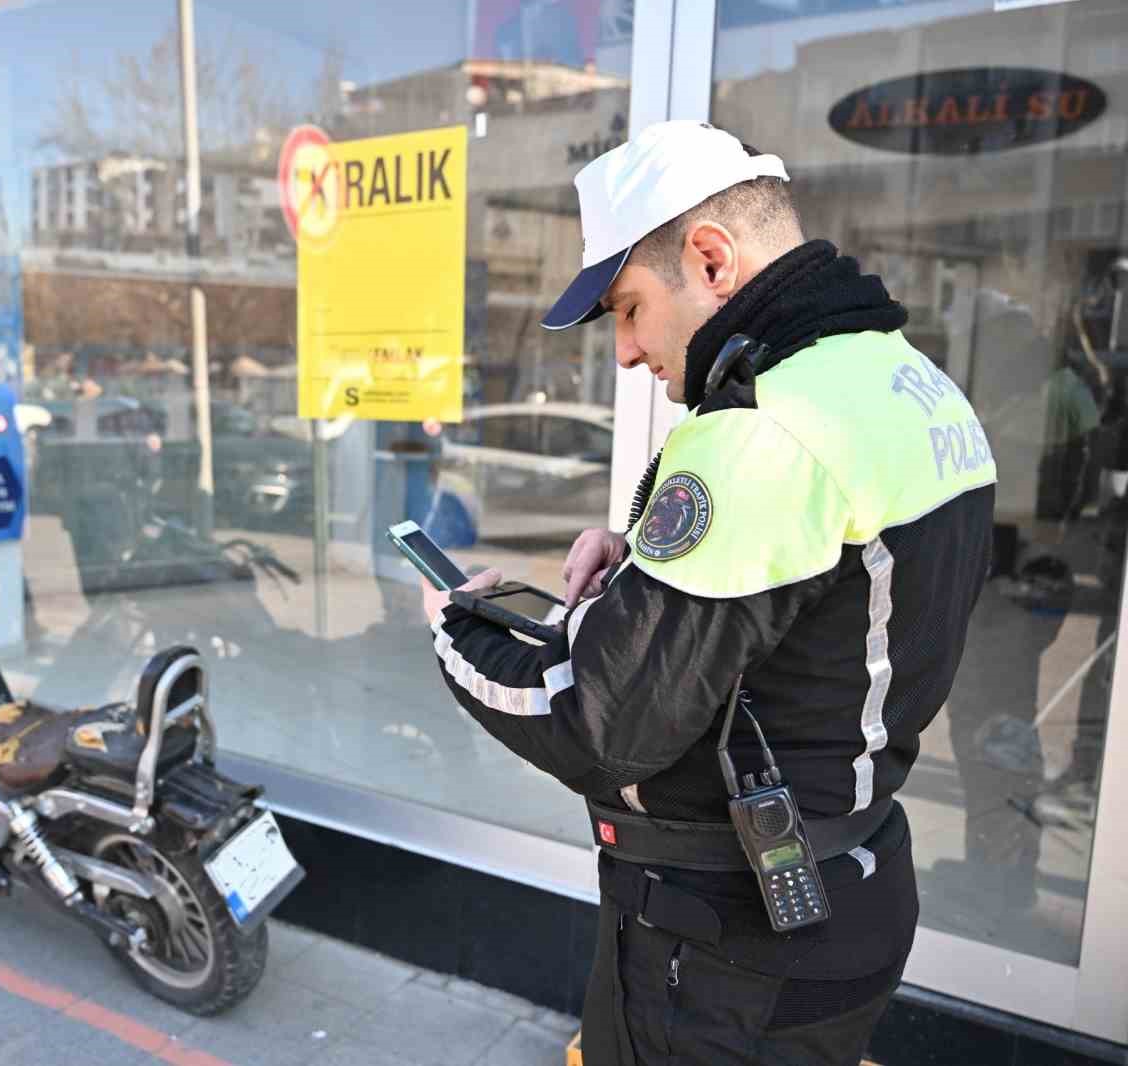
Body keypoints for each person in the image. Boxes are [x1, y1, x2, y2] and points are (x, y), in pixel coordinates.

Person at [419, 121, 995, 1065]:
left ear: (713, 259)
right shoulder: (911, 383)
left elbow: (598, 726)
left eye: (629, 308)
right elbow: (827, 605)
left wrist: (453, 629)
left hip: (723, 950)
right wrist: (645, 563)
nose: (627, 352)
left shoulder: (765, 432)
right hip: (845, 889)